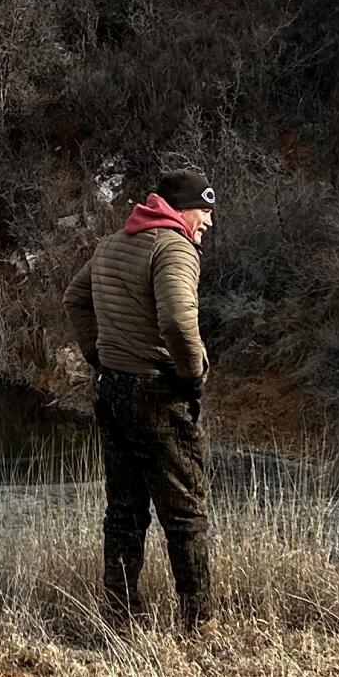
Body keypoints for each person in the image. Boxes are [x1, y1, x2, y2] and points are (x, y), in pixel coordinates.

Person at [63, 161, 218, 634]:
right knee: (185, 511)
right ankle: (199, 623)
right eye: (204, 211)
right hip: (158, 395)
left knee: (124, 513)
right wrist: (193, 374)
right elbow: (176, 320)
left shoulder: (112, 244)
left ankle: (119, 615)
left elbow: (74, 298)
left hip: (112, 391)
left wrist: (98, 356)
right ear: (181, 209)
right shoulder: (174, 248)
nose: (209, 222)